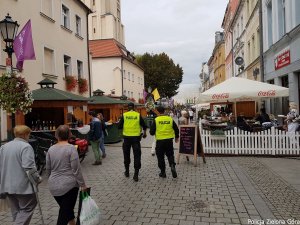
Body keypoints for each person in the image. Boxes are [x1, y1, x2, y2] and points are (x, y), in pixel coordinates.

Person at [46, 125, 87, 225]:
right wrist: (83, 185)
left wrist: (51, 180)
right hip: (70, 186)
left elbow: (48, 169)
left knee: (67, 211)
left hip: (54, 187)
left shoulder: (50, 149)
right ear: (69, 135)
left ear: (56, 135)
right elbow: (76, 169)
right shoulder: (71, 149)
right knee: (64, 214)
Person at [0, 125, 38, 225]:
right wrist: (37, 179)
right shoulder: (26, 146)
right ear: (25, 134)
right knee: (28, 206)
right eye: (29, 134)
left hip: (7, 185)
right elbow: (29, 167)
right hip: (22, 186)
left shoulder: (4, 146)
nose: (29, 136)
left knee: (16, 210)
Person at [118, 102, 147, 181]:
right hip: (136, 139)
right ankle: (136, 175)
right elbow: (144, 125)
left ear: (127, 108)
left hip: (126, 138)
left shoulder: (124, 115)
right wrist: (144, 133)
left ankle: (127, 172)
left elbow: (119, 126)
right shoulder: (137, 115)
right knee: (137, 155)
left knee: (126, 155)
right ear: (134, 108)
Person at [150, 106, 179, 178]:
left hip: (160, 142)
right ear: (164, 111)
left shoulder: (156, 120)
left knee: (160, 157)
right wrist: (177, 137)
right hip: (169, 141)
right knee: (170, 155)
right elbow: (176, 129)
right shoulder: (170, 119)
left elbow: (151, 132)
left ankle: (163, 173)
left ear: (157, 111)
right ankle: (172, 165)